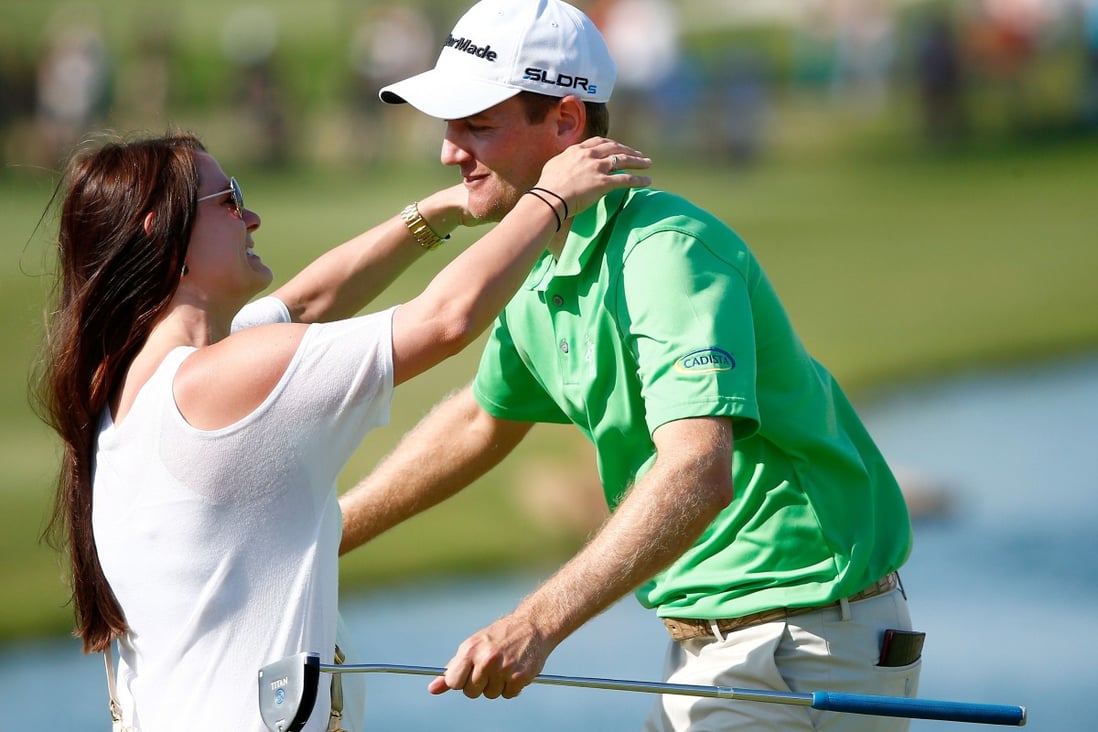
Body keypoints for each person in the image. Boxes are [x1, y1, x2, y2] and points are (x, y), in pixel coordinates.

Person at [337, 1, 921, 731]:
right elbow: (483, 417)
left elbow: (696, 471)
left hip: (801, 643)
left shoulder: (664, 252)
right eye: (448, 128)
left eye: (477, 126)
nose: (450, 153)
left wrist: (537, 622)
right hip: (731, 649)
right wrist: (321, 538)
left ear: (565, 125)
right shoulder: (546, 262)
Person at [35, 129, 649, 732]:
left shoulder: (128, 383)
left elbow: (307, 302)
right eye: (228, 201)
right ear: (160, 231)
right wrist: (551, 198)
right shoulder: (218, 381)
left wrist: (443, 210)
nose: (250, 218)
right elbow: (444, 319)